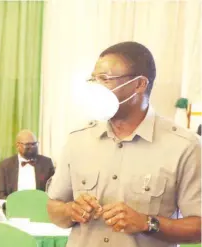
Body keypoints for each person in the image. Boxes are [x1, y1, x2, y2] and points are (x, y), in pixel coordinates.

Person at [46, 41, 201, 247]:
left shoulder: (184, 146)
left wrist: (147, 223)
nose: (95, 88)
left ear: (139, 84)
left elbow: (198, 228)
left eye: (105, 79)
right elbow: (53, 208)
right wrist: (70, 211)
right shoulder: (78, 139)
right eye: (93, 79)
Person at [0, 129, 54, 199]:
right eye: (27, 145)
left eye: (34, 144)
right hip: (14, 207)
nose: (32, 147)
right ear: (17, 145)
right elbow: (0, 194)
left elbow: (53, 190)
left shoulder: (46, 163)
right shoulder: (5, 165)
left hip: (40, 206)